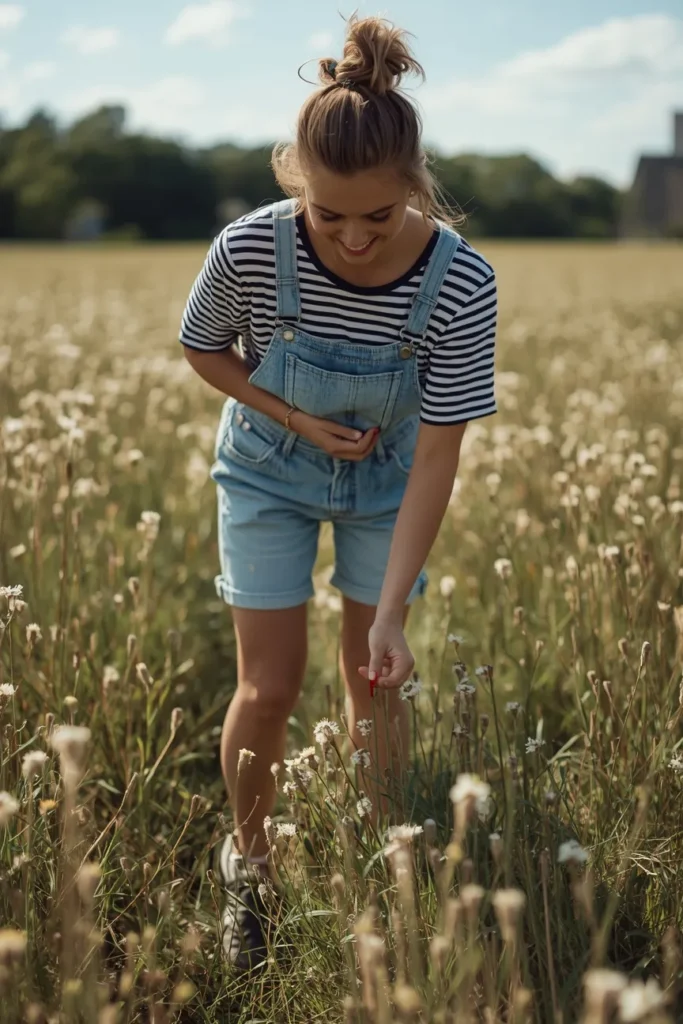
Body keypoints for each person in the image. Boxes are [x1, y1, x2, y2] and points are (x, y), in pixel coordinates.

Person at [179, 14, 497, 970]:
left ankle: (378, 868)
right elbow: (204, 348)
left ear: (415, 188)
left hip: (389, 487)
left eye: (379, 216)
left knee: (377, 683)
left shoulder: (462, 282)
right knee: (268, 687)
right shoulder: (246, 248)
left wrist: (393, 613)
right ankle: (254, 869)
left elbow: (438, 456)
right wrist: (290, 416)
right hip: (267, 471)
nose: (353, 239)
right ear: (294, 182)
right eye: (328, 217)